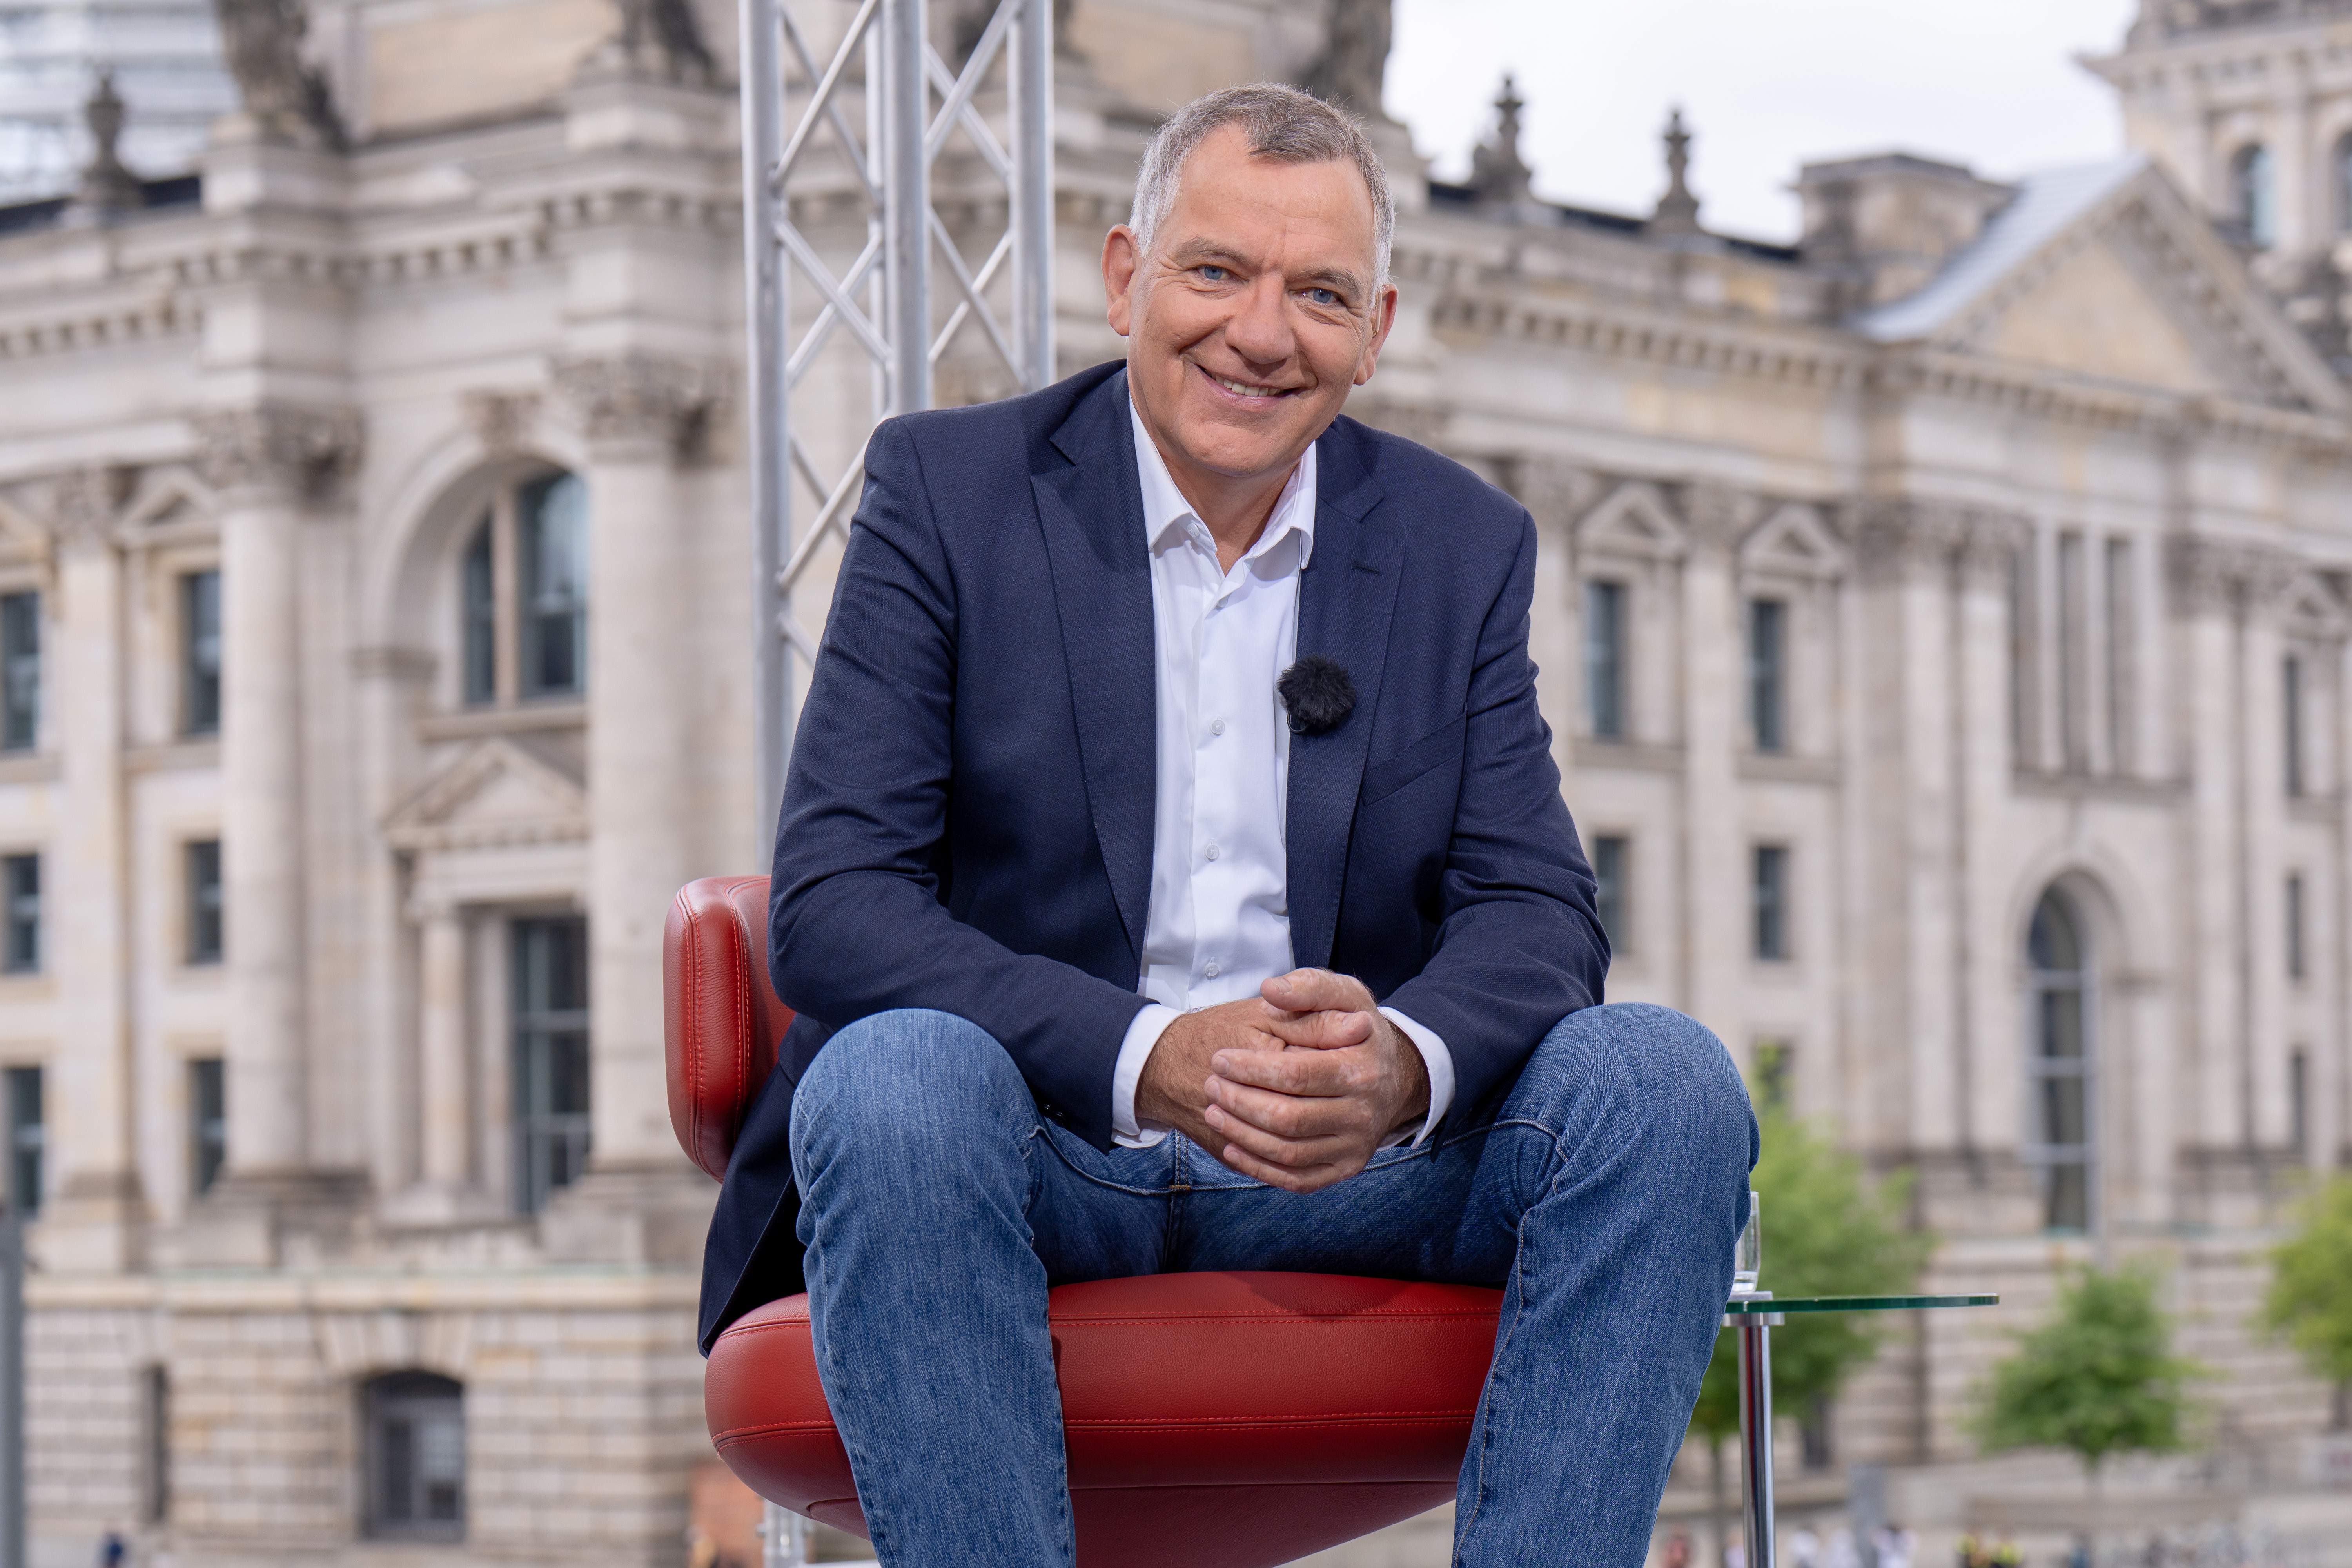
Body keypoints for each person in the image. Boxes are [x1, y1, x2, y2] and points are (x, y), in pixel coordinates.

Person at [699, 80, 1756, 1568]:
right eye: (1216, 272)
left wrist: (1397, 1067)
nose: (1263, 334)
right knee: (893, 1078)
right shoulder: (948, 492)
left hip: (1353, 1170)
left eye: (1319, 293)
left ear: (1375, 329)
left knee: (1663, 1079)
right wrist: (1153, 1056)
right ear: (1126, 277)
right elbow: (836, 907)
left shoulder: (1460, 542)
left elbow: (1538, 914)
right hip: (1039, 1142)